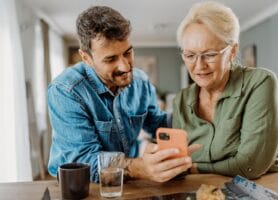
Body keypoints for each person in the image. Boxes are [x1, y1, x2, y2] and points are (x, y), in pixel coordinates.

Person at [47, 6, 199, 183]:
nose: (125, 67)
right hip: (79, 184)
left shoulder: (141, 82)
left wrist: (195, 116)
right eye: (110, 59)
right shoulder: (66, 91)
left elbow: (156, 122)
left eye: (128, 53)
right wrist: (138, 167)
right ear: (86, 58)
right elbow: (84, 161)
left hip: (126, 179)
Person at [173, 1, 278, 179]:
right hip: (206, 192)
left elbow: (250, 166)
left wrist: (194, 167)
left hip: (264, 190)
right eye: (189, 55)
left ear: (233, 51)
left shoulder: (260, 82)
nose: (199, 66)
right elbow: (178, 163)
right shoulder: (181, 100)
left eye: (210, 54)